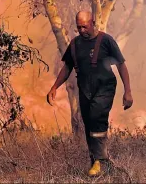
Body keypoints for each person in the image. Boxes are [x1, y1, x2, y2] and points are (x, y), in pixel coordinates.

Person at [46, 11, 133, 177]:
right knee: (88, 123)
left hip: (105, 87)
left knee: (96, 117)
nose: (81, 30)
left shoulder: (106, 40)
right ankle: (96, 162)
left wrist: (128, 91)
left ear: (92, 23)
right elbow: (67, 67)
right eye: (78, 27)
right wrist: (54, 87)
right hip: (85, 88)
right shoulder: (75, 44)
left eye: (84, 26)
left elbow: (121, 65)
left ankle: (101, 159)